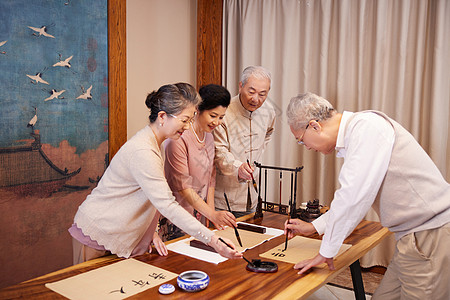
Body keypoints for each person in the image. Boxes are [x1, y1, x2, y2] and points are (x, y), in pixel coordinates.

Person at [284, 92, 450, 299]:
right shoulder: (361, 131)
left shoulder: (366, 128)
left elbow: (353, 196)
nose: (306, 147)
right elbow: (355, 195)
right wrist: (314, 227)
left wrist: (326, 251)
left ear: (315, 126)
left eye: (301, 140)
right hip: (412, 238)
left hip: (429, 235)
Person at [68, 83, 242, 264]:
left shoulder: (155, 143)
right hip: (98, 232)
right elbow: (167, 204)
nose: (188, 127)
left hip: (118, 232)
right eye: (184, 120)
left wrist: (153, 233)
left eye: (190, 120)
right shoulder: (143, 150)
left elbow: (150, 197)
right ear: (162, 116)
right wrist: (213, 241)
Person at [162, 84, 236, 241]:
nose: (216, 122)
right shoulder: (178, 138)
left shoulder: (209, 136)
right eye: (213, 115)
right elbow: (183, 188)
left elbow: (211, 179)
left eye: (221, 117)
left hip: (200, 215)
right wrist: (212, 214)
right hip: (178, 216)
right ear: (198, 110)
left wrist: (211, 215)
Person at [213, 66, 276, 218]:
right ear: (240, 86)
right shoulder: (224, 112)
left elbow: (268, 133)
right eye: (251, 92)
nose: (256, 99)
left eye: (262, 94)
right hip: (224, 198)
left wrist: (257, 152)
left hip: (253, 196)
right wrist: (237, 167)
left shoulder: (268, 111)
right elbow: (218, 151)